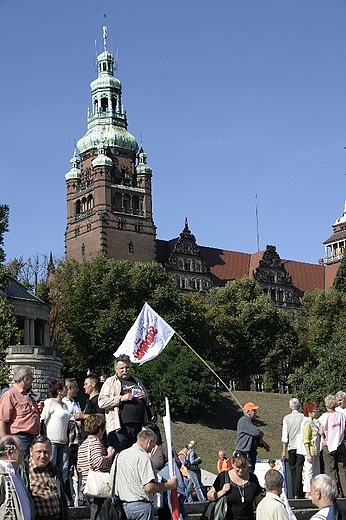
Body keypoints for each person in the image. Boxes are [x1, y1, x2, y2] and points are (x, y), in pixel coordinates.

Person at [112, 428, 178, 520]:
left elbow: (111, 483)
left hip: (123, 506)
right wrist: (168, 485)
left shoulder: (120, 456)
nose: (153, 449)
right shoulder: (143, 457)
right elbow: (149, 487)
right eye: (153, 445)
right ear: (149, 441)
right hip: (141, 507)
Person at [98, 354, 155, 452]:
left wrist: (145, 398)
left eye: (127, 367)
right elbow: (101, 402)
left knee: (134, 457)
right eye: (122, 368)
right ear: (116, 369)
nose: (125, 370)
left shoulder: (137, 382)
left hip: (139, 427)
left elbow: (148, 402)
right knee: (118, 456)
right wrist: (120, 398)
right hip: (119, 428)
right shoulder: (110, 381)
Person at [77, 414, 114, 520]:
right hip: (97, 485)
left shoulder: (83, 445)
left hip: (87, 484)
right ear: (100, 429)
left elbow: (79, 466)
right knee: (100, 515)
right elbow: (98, 462)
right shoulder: (96, 443)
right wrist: (109, 455)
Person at [23, 435, 70, 520]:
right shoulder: (23, 471)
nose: (43, 456)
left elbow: (62, 500)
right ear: (31, 451)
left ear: (51, 452)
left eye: (46, 452)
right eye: (39, 452)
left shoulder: (54, 470)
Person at [207, 450, 262, 520]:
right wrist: (221, 492)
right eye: (238, 467)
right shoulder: (223, 477)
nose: (241, 470)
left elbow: (259, 502)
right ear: (232, 464)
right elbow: (209, 496)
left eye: (244, 467)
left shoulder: (253, 479)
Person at [0, 366, 41, 455]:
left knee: (29, 467)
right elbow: (2, 420)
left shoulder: (28, 395)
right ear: (23, 379)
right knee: (19, 466)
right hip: (19, 438)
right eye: (31, 378)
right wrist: (5, 442)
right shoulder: (10, 395)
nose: (33, 380)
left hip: (33, 438)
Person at [40, 379, 71, 487]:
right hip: (52, 441)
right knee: (51, 468)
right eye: (65, 388)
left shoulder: (65, 405)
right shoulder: (49, 402)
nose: (67, 390)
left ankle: (62, 494)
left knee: (64, 470)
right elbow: (43, 420)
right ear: (59, 390)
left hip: (64, 441)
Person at [0, 434, 34, 520]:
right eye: (21, 450)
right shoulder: (1, 475)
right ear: (10, 452)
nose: (24, 453)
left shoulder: (15, 472)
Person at [319, 394, 346, 497]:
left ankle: (333, 493)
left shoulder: (324, 416)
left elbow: (321, 431)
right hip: (340, 444)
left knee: (330, 469)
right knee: (342, 470)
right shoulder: (341, 415)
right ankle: (345, 492)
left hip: (328, 444)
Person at [235, 402, 270, 472]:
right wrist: (260, 432)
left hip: (249, 452)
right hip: (244, 453)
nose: (255, 412)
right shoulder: (244, 421)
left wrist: (263, 444)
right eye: (254, 411)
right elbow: (257, 433)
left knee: (249, 472)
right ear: (248, 412)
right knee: (247, 473)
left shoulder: (249, 421)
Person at [281, 397, 304, 499]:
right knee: (300, 469)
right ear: (298, 406)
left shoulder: (286, 418)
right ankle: (298, 492)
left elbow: (285, 436)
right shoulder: (303, 417)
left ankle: (293, 492)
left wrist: (283, 451)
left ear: (290, 407)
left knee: (293, 470)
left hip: (291, 447)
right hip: (301, 446)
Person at [301, 402, 321, 498]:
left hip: (316, 451)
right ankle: (307, 492)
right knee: (309, 472)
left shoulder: (314, 422)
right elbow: (306, 439)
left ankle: (314, 491)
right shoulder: (307, 423)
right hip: (310, 451)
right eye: (314, 411)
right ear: (309, 411)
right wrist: (308, 453)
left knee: (316, 472)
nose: (316, 412)